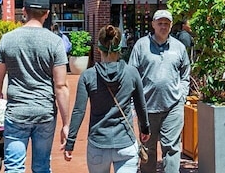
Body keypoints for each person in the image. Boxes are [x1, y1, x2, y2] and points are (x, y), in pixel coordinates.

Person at [0, 0, 71, 173]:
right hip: (44, 111)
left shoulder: (7, 40)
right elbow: (61, 86)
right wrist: (66, 123)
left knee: (14, 167)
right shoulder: (55, 43)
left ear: (24, 11)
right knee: (42, 167)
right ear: (47, 13)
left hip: (17, 112)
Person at [64, 26, 147, 173]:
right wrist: (145, 129)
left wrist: (70, 142)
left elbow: (79, 111)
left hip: (98, 144)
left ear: (98, 49)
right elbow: (141, 106)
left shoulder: (88, 76)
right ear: (119, 47)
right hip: (125, 142)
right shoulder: (132, 73)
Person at [129, 10, 191, 173]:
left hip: (173, 107)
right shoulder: (141, 46)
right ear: (153, 25)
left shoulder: (179, 47)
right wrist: (133, 103)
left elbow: (185, 74)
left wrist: (182, 95)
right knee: (148, 150)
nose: (163, 26)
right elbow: (132, 75)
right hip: (147, 108)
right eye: (160, 23)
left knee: (171, 148)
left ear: (171, 26)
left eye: (167, 23)